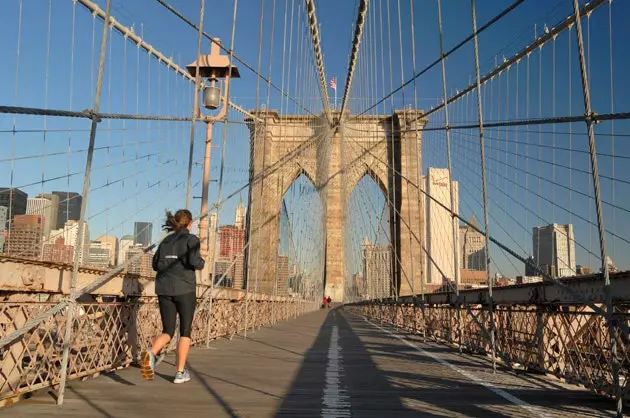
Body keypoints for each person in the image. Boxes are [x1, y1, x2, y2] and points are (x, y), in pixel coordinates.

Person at [140, 209, 205, 384]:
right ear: (190, 223)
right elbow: (193, 262)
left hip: (164, 290)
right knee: (185, 331)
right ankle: (180, 373)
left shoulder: (165, 241)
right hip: (184, 290)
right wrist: (201, 262)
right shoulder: (192, 240)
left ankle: (151, 352)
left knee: (167, 331)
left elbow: (155, 265)